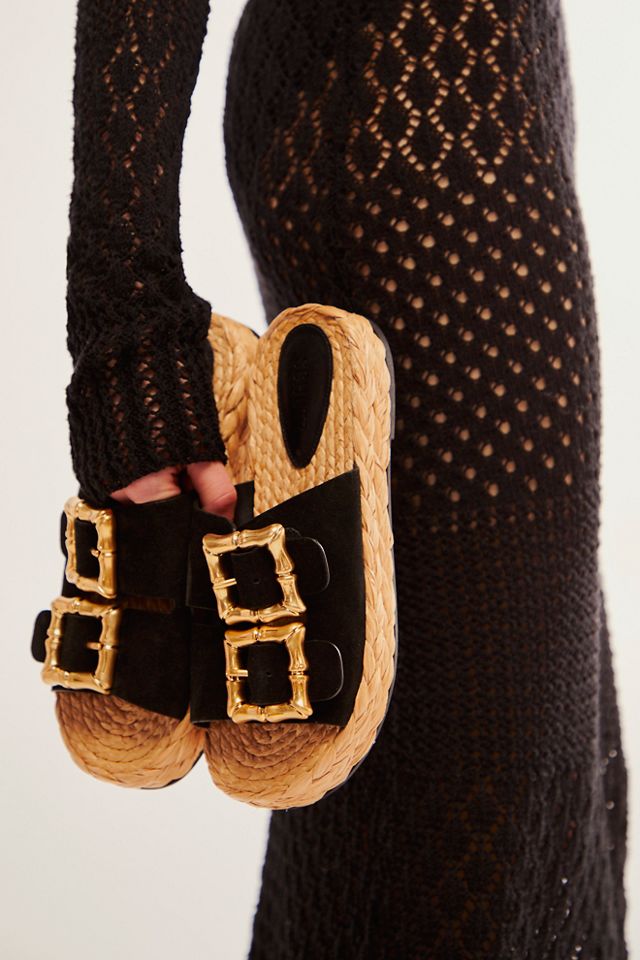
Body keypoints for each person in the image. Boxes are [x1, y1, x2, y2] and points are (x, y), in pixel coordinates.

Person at [65, 1, 628, 956]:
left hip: (465, 100)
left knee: (542, 789)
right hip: (418, 118)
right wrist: (122, 300)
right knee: (482, 785)